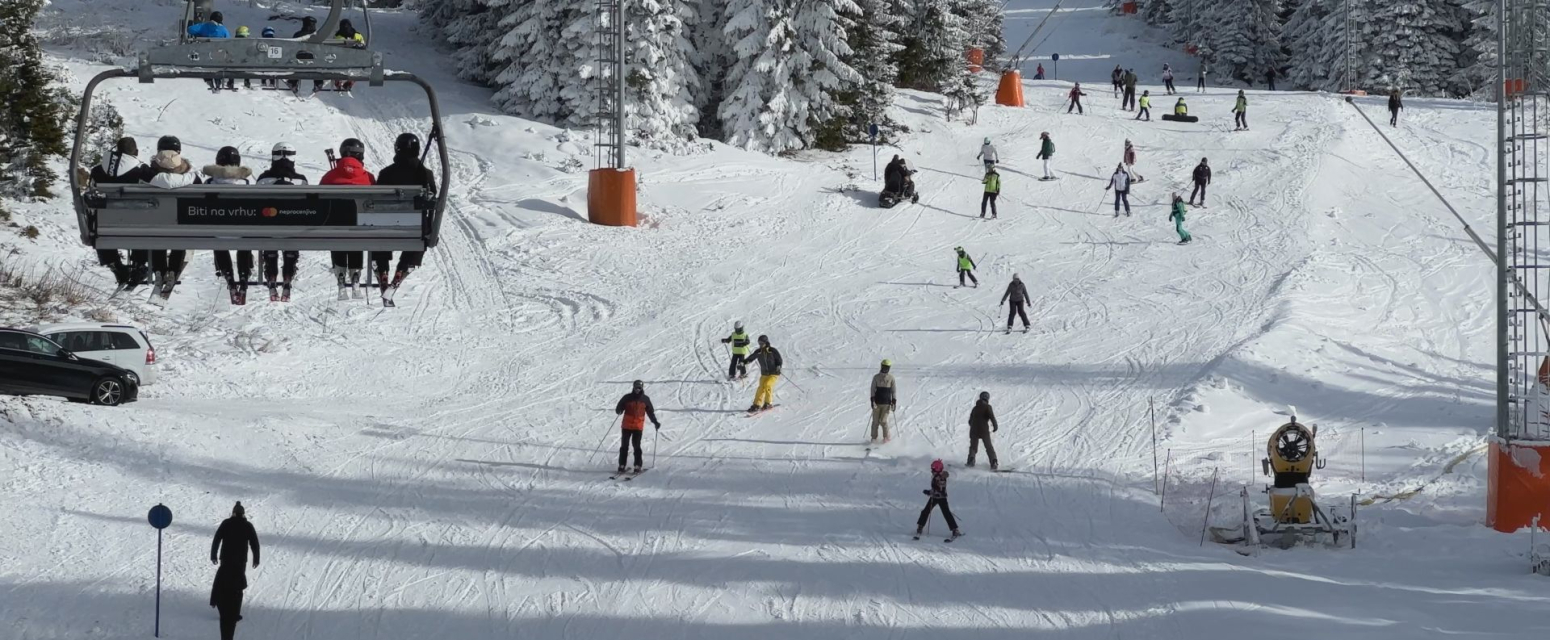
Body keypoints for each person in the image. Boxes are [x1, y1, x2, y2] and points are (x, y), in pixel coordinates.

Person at [370, 133, 437, 304]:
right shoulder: (425, 174)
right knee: (419, 234)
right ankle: (404, 268)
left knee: (380, 232)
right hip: (416, 230)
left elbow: (377, 200)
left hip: (388, 227)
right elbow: (433, 198)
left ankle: (382, 270)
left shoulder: (386, 173)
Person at [87, 137, 154, 287]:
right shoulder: (142, 170)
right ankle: (139, 264)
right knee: (148, 219)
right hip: (136, 225)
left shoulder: (97, 170)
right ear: (135, 152)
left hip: (103, 227)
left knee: (99, 220)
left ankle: (115, 265)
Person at [321, 138, 375, 299]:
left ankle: (340, 273)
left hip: (334, 229)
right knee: (358, 228)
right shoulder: (368, 178)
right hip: (361, 229)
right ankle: (355, 273)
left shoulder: (329, 177)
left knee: (337, 228)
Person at [256, 142, 308, 302]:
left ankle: (271, 273)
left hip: (268, 228)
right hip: (293, 228)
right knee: (293, 229)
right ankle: (288, 274)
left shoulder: (263, 179)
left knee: (269, 231)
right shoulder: (301, 181)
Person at [204, 146, 256, 303]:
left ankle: (229, 279)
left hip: (217, 232)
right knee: (244, 237)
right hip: (242, 232)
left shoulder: (209, 182)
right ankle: (243, 277)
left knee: (218, 238)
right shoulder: (246, 182)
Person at [147, 136, 197, 291]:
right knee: (181, 229)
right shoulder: (190, 177)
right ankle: (173, 271)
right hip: (181, 224)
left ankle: (159, 270)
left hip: (152, 224)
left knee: (156, 229)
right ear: (179, 153)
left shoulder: (148, 175)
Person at [210, 501, 260, 640]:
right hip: (240, 562)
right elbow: (254, 543)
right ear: (243, 514)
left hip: (226, 560)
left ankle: (224, 608)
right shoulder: (247, 525)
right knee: (237, 587)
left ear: (233, 513)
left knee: (224, 583)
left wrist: (213, 554)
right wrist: (256, 558)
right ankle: (234, 612)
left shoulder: (226, 523)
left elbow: (217, 539)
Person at [614, 380, 660, 474]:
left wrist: (655, 422)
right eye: (636, 387)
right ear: (633, 387)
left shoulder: (645, 399)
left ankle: (637, 465)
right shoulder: (627, 397)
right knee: (624, 446)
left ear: (642, 388)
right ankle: (621, 465)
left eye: (639, 388)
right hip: (626, 426)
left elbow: (650, 412)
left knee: (636, 446)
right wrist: (619, 410)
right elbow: (619, 407)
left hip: (637, 427)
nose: (637, 390)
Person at [916, 459, 962, 539]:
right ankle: (920, 526)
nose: (931, 471)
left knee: (946, 513)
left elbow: (940, 490)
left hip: (941, 498)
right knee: (925, 511)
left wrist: (930, 492)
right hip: (934, 497)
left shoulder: (941, 478)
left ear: (937, 469)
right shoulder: (936, 476)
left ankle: (955, 530)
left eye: (933, 469)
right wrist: (930, 492)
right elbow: (935, 489)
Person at [746, 334, 783, 413]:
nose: (760, 345)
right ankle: (756, 404)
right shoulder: (759, 352)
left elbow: (779, 359)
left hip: (774, 373)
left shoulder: (772, 350)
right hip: (764, 374)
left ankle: (768, 403)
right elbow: (751, 358)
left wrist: (778, 366)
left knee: (768, 385)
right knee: (761, 388)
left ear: (766, 342)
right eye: (759, 343)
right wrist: (744, 362)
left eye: (762, 343)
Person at [331, 19, 367, 93]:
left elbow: (332, 49)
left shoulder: (338, 36)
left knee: (337, 65)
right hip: (352, 60)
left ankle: (340, 82)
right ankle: (348, 83)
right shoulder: (357, 35)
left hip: (344, 60)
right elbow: (363, 46)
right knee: (358, 67)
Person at [967, 391, 998, 469]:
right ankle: (993, 461)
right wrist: (995, 425)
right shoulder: (988, 407)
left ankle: (971, 460)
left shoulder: (975, 408)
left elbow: (970, 421)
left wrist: (974, 426)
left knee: (973, 447)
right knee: (988, 446)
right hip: (984, 429)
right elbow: (991, 416)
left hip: (974, 430)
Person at [290, 17, 320, 94]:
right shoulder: (318, 36)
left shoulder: (297, 35)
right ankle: (318, 83)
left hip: (298, 60)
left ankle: (292, 82)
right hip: (313, 62)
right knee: (319, 65)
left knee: (296, 64)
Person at [870, 359, 896, 443]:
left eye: (887, 367)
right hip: (877, 403)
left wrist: (894, 401)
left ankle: (886, 438)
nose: (885, 369)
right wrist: (872, 400)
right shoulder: (876, 377)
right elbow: (872, 389)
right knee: (875, 422)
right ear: (881, 366)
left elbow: (893, 390)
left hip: (886, 404)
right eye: (884, 367)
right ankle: (874, 438)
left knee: (883, 421)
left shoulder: (891, 378)